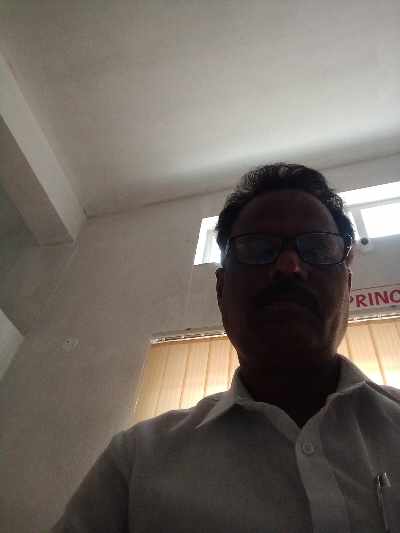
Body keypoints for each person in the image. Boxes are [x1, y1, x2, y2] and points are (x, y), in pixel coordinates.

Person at [52, 163, 400, 532]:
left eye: (316, 247)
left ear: (348, 285)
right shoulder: (136, 461)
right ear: (221, 289)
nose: (289, 266)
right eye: (258, 247)